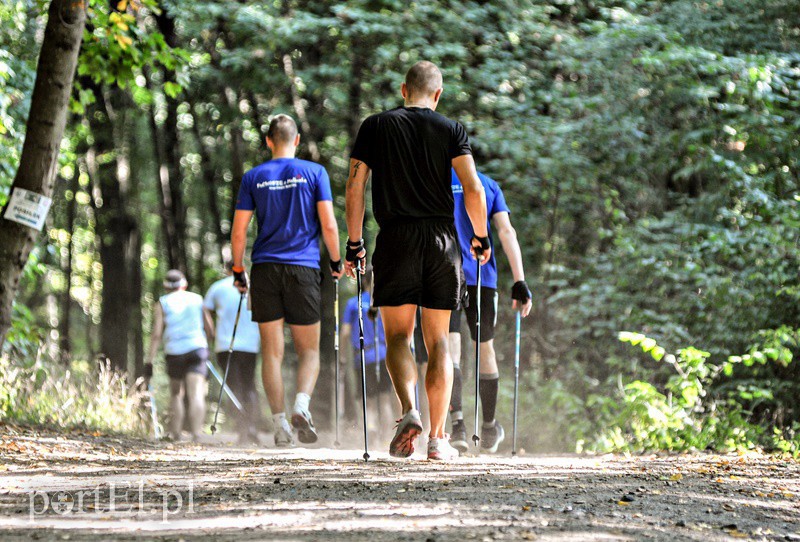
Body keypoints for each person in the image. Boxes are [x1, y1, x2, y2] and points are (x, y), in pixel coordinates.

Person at [345, 60, 490, 461]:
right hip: (442, 240)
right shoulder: (451, 129)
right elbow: (474, 188)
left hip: (396, 239)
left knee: (397, 338)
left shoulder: (376, 126)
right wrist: (480, 237)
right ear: (438, 94)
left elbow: (355, 186)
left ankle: (409, 410)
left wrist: (355, 243)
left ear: (403, 90)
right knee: (439, 339)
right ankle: (438, 439)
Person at [230, 114, 343, 448]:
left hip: (265, 269)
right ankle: (301, 405)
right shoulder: (315, 173)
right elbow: (330, 225)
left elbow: (239, 231)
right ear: (295, 140)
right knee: (309, 351)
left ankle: (280, 427)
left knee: (272, 353)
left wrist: (238, 270)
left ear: (268, 141)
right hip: (304, 269)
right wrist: (336, 261)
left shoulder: (254, 177)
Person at [448, 168, 533, 454]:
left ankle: (456, 426)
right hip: (481, 277)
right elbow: (505, 230)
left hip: (443, 274)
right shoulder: (487, 184)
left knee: (450, 348)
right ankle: (488, 428)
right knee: (485, 348)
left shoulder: (435, 180)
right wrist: (519, 280)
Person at [145, 269, 215, 442]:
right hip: (197, 349)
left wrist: (149, 359)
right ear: (184, 284)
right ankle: (196, 433)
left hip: (174, 352)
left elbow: (156, 334)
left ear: (166, 286)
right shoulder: (197, 299)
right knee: (197, 393)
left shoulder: (163, 302)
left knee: (176, 394)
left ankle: (176, 433)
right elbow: (209, 328)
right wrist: (213, 346)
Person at [204, 261, 263, 444]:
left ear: (226, 269)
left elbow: (205, 308)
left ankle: (241, 428)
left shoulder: (218, 287)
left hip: (225, 344)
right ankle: (251, 426)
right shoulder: (253, 287)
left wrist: (211, 332)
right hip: (251, 345)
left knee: (232, 387)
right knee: (250, 386)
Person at [341, 267, 396, 442]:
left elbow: (344, 333)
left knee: (369, 400)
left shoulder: (353, 303)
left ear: (363, 281)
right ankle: (387, 439)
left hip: (364, 357)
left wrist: (342, 356)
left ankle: (372, 435)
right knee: (385, 399)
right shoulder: (386, 304)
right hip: (385, 356)